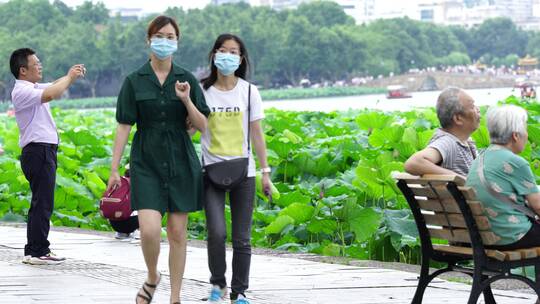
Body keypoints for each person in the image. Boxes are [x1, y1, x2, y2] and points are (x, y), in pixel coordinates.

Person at [106, 15, 209, 304]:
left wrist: (187, 100)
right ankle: (153, 275)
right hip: (146, 160)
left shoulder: (186, 79)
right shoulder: (134, 81)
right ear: (149, 40)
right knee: (149, 228)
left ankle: (175, 297)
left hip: (180, 160)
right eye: (159, 36)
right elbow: (124, 126)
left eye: (170, 36)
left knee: (177, 232)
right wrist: (114, 168)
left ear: (177, 42)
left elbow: (202, 125)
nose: (165, 41)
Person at [199, 34, 271, 304]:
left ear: (240, 59)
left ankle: (240, 291)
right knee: (216, 232)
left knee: (242, 238)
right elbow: (192, 127)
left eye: (233, 52)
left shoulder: (249, 91)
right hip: (210, 169)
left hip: (245, 171)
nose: (227, 56)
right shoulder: (203, 90)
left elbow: (257, 134)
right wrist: (185, 102)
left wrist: (266, 172)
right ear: (214, 55)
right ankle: (218, 283)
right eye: (222, 50)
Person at [9, 48, 85, 265]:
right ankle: (37, 251)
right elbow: (52, 93)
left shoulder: (30, 87)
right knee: (42, 202)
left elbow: (54, 86)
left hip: (42, 151)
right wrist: (70, 77)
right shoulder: (22, 91)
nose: (40, 66)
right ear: (23, 70)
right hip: (38, 150)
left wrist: (72, 73)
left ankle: (35, 249)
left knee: (42, 201)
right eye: (36, 63)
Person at [467, 105, 540, 249]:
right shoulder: (516, 162)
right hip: (513, 236)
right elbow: (538, 206)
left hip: (485, 238)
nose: (526, 135)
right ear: (515, 135)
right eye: (525, 129)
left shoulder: (480, 158)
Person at [404, 87, 480, 177]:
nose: (478, 109)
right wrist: (458, 178)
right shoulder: (449, 142)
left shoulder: (463, 141)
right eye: (472, 107)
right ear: (458, 119)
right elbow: (413, 163)